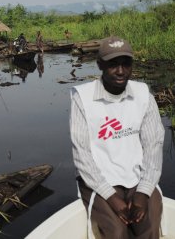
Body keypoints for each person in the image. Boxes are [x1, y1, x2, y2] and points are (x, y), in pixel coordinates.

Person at [69, 36, 164, 239]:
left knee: (149, 225)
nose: (120, 71)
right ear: (100, 65)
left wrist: (143, 192)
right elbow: (82, 155)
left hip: (137, 176)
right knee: (117, 231)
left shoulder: (143, 94)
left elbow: (153, 146)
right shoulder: (82, 98)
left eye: (125, 64)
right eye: (112, 64)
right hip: (98, 179)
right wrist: (111, 197)